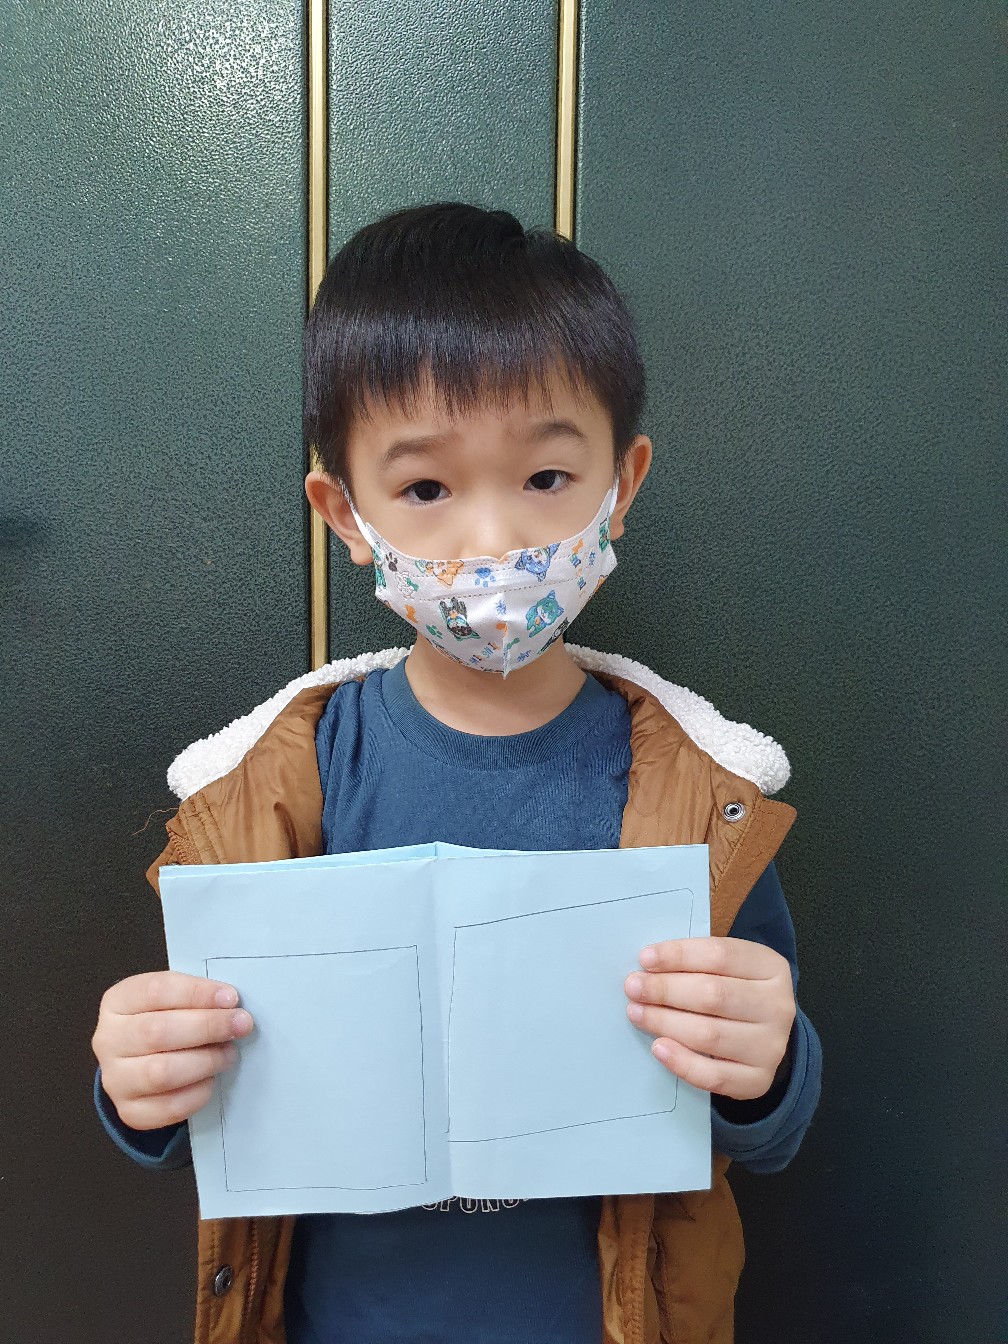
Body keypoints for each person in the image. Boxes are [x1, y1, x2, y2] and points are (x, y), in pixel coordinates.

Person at [91, 201, 822, 1344]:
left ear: (621, 486)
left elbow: (769, 1113)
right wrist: (139, 1088)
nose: (492, 542)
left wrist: (766, 1062)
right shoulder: (281, 787)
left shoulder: (699, 796)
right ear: (345, 515)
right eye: (427, 490)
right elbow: (202, 1086)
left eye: (546, 476)